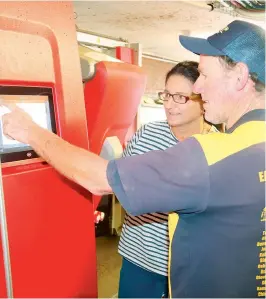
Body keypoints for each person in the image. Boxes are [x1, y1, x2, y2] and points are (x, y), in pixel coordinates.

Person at [1, 20, 265, 298]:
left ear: (239, 76)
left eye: (204, 76)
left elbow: (98, 178)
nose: (198, 88)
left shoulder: (210, 154)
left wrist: (30, 131)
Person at [118, 61, 218, 298]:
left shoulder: (218, 147)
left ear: (203, 101)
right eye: (166, 95)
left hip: (190, 268)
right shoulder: (147, 135)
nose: (170, 105)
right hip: (138, 260)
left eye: (181, 97)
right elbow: (121, 184)